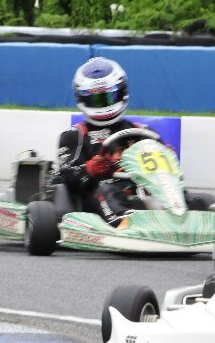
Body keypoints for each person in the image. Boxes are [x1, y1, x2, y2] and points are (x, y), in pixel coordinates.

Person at [50, 56, 149, 227]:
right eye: (95, 99)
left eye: (109, 97)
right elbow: (63, 177)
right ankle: (125, 223)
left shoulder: (142, 131)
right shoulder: (75, 135)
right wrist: (88, 170)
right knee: (106, 189)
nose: (103, 104)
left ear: (121, 92)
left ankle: (185, 216)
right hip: (98, 196)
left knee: (176, 193)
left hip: (141, 190)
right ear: (83, 99)